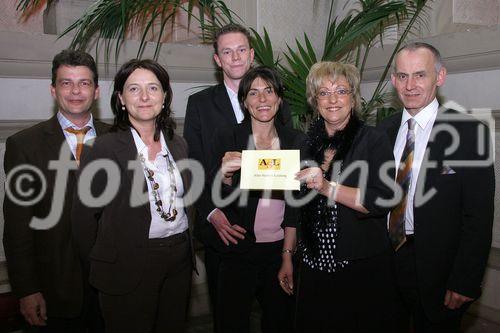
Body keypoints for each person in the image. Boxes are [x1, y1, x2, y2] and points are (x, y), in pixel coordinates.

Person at [71, 59, 195, 333]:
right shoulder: (101, 149)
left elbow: (187, 203)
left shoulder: (178, 143)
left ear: (164, 96)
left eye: (153, 88)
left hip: (179, 261)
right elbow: (83, 220)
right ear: (121, 99)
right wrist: (105, 260)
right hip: (126, 265)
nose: (144, 97)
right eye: (134, 89)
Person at [378, 42, 494, 332]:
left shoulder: (469, 133)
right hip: (385, 264)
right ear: (393, 81)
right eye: (402, 76)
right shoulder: (381, 132)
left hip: (440, 271)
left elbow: (478, 217)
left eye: (420, 75)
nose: (410, 85)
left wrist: (465, 280)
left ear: (439, 77)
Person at [183, 23, 292, 330]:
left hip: (273, 236)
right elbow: (195, 165)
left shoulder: (275, 99)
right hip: (224, 232)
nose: (235, 57)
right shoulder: (200, 105)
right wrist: (211, 212)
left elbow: (286, 156)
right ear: (217, 59)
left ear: (251, 54)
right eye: (227, 51)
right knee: (229, 320)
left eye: (241, 50)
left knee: (279, 316)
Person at [3, 49, 109, 332]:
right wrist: (26, 289)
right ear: (53, 90)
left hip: (114, 286)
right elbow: (17, 227)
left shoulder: (119, 139)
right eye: (66, 83)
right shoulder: (24, 146)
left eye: (84, 83)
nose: (76, 91)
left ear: (96, 91)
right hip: (56, 290)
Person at [196, 66, 305, 333]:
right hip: (238, 250)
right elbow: (210, 192)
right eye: (254, 93)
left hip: (279, 250)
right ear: (244, 101)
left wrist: (288, 255)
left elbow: (296, 205)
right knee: (231, 323)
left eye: (269, 91)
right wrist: (225, 175)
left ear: (279, 98)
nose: (262, 99)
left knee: (280, 323)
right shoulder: (228, 137)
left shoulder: (295, 140)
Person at [294, 61, 397, 332]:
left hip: (358, 267)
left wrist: (327, 187)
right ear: (314, 101)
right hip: (313, 264)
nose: (332, 100)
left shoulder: (374, 140)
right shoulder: (306, 144)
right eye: (323, 93)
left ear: (354, 97)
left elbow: (380, 200)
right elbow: (295, 204)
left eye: (341, 90)